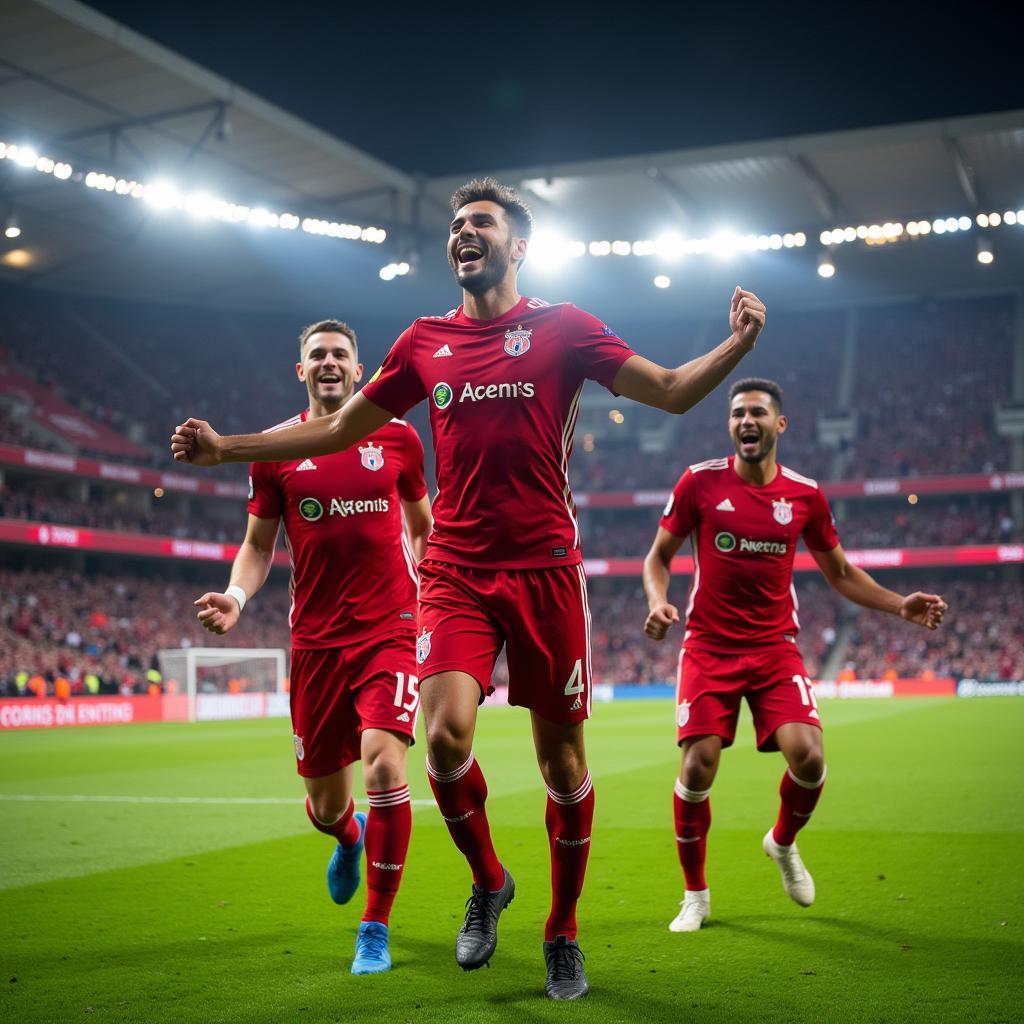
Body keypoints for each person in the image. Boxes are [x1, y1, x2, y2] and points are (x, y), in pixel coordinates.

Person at [172, 178, 766, 1000]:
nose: (463, 233)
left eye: (480, 223)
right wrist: (229, 447)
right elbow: (342, 426)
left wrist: (735, 347)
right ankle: (489, 879)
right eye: (456, 225)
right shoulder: (423, 340)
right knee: (444, 741)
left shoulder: (564, 328)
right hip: (453, 570)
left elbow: (666, 391)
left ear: (517, 246)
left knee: (562, 762)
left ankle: (562, 931)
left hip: (548, 570)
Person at [642, 377, 947, 933]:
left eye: (757, 412)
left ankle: (782, 843)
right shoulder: (698, 483)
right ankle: (695, 894)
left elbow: (842, 573)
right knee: (697, 764)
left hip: (774, 648)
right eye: (737, 414)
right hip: (708, 646)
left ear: (779, 424)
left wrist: (900, 605)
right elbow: (657, 558)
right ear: (729, 425)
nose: (746, 421)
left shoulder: (804, 495)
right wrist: (658, 601)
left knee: (809, 758)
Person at [192, 319, 432, 974]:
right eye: (317, 356)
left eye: (340, 355)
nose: (329, 363)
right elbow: (258, 546)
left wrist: (431, 595)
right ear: (302, 372)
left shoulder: (400, 438)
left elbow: (423, 530)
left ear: (360, 371)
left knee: (386, 766)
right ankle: (348, 837)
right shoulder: (273, 450)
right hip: (317, 643)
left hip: (391, 630)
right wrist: (236, 600)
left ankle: (374, 927)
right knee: (327, 805)